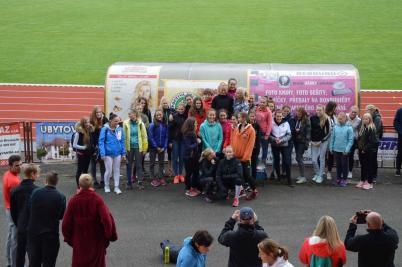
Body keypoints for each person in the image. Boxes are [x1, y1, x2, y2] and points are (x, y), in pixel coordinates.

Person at [62, 174, 117, 267]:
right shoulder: (97, 199)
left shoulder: (73, 201)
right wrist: (108, 236)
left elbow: (66, 224)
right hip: (96, 241)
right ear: (91, 184)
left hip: (79, 242)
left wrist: (70, 240)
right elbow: (107, 220)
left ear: (79, 185)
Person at [27, 171, 66, 267]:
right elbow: (61, 215)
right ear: (56, 182)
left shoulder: (35, 192)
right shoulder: (61, 197)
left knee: (34, 262)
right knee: (49, 263)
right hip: (51, 235)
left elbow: (29, 208)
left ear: (45, 181)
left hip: (34, 234)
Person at [10, 163, 39, 267]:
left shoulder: (14, 190)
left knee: (20, 253)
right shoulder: (38, 191)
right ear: (32, 174)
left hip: (21, 225)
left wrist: (18, 223)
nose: (38, 176)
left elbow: (13, 211)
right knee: (34, 254)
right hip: (34, 227)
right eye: (37, 174)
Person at [231, 112, 258, 199]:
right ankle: (241, 190)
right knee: (237, 174)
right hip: (236, 156)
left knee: (247, 175)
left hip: (244, 158)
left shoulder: (251, 130)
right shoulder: (237, 127)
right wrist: (232, 152)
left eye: (238, 117)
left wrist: (246, 157)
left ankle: (254, 191)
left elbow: (250, 145)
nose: (237, 119)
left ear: (244, 118)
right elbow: (233, 141)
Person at [99, 113, 126, 194]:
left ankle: (116, 187)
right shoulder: (105, 129)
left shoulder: (120, 129)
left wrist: (123, 153)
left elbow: (122, 141)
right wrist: (102, 153)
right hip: (107, 154)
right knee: (109, 171)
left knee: (117, 170)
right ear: (110, 121)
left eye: (118, 121)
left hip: (117, 153)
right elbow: (101, 142)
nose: (117, 122)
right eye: (115, 121)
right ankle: (106, 185)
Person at [3, 155, 22, 267]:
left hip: (8, 208)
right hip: (13, 211)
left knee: (10, 237)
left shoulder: (7, 174)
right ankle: (14, 264)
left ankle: (9, 262)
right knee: (15, 240)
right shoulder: (14, 181)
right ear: (10, 166)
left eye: (20, 164)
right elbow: (19, 200)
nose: (19, 167)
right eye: (16, 166)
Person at [123, 109, 148, 190]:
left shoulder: (141, 124)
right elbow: (123, 137)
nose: (129, 115)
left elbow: (144, 137)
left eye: (130, 114)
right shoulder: (125, 123)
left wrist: (145, 148)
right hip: (129, 147)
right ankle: (129, 183)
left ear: (135, 114)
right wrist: (124, 149)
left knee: (139, 165)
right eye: (128, 114)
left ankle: (140, 182)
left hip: (138, 147)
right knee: (128, 165)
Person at [329, 112, 354, 187]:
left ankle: (344, 179)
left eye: (341, 118)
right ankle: (338, 178)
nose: (339, 120)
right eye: (338, 118)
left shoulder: (349, 128)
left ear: (345, 119)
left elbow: (350, 140)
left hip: (344, 151)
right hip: (336, 150)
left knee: (344, 165)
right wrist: (331, 147)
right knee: (338, 165)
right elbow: (332, 138)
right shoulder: (335, 127)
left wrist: (347, 150)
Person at [269, 109, 293, 187]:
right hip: (275, 145)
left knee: (287, 162)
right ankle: (279, 177)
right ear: (275, 116)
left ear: (282, 116)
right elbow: (268, 134)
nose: (278, 118)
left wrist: (282, 140)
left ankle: (289, 180)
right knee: (276, 161)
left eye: (280, 116)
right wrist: (274, 139)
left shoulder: (286, 123)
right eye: (277, 116)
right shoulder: (271, 123)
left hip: (284, 145)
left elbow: (289, 135)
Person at [356, 113, 380, 190]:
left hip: (369, 151)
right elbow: (359, 139)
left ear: (370, 120)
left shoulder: (371, 128)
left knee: (369, 166)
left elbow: (373, 142)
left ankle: (370, 182)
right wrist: (359, 148)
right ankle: (362, 180)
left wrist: (365, 149)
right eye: (364, 118)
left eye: (367, 118)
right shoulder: (362, 128)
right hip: (362, 150)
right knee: (363, 166)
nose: (365, 120)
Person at [290, 107, 311, 184]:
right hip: (296, 141)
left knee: (298, 157)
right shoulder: (295, 119)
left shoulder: (306, 120)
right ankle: (301, 175)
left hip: (302, 141)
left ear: (303, 113)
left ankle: (303, 177)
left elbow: (308, 133)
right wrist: (295, 131)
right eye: (297, 112)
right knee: (299, 158)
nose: (298, 113)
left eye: (299, 112)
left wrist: (307, 143)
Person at [310, 105, 331, 183]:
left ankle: (320, 176)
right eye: (317, 110)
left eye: (320, 110)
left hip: (323, 142)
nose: (318, 112)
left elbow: (329, 132)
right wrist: (311, 140)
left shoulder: (327, 118)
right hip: (313, 142)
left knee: (321, 159)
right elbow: (310, 130)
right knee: (314, 160)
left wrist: (321, 141)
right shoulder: (312, 118)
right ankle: (317, 173)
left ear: (323, 110)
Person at [148, 109, 168, 187]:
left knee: (161, 163)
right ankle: (152, 178)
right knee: (152, 163)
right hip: (153, 147)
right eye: (157, 115)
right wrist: (156, 146)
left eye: (160, 114)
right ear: (155, 116)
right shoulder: (152, 125)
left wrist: (164, 147)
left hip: (162, 148)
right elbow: (150, 137)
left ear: (163, 115)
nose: (159, 116)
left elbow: (166, 137)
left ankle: (161, 177)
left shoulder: (165, 125)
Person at [89, 106, 108, 188]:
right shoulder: (91, 121)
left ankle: (103, 180)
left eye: (100, 112)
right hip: (93, 144)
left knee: (102, 163)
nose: (99, 114)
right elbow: (89, 133)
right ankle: (94, 180)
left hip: (103, 144)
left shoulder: (105, 120)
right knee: (93, 163)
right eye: (97, 112)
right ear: (94, 113)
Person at [182, 117, 201, 197]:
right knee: (190, 173)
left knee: (193, 172)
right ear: (191, 125)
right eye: (195, 123)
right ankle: (188, 188)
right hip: (189, 157)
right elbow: (188, 146)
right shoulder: (189, 133)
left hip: (192, 156)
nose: (196, 124)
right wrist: (197, 142)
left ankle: (192, 187)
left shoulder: (191, 132)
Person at [73, 117, 94, 188]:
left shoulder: (89, 131)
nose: (87, 124)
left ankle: (85, 186)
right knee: (79, 171)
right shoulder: (78, 133)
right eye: (85, 122)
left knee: (85, 170)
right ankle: (79, 187)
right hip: (81, 154)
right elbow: (74, 145)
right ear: (82, 124)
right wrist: (83, 147)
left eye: (88, 122)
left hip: (87, 154)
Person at [365, 104, 383, 183]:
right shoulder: (373, 117)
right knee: (369, 159)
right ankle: (370, 175)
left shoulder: (377, 118)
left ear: (371, 110)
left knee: (373, 159)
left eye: (367, 110)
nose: (366, 112)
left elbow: (375, 129)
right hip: (370, 141)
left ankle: (374, 175)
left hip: (374, 142)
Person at [170, 103, 187, 184]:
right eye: (179, 109)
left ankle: (180, 174)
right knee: (175, 158)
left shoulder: (186, 117)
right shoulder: (173, 116)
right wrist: (170, 141)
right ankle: (176, 175)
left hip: (183, 141)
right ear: (177, 109)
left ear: (184, 109)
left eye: (182, 109)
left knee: (182, 158)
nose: (181, 110)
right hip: (175, 140)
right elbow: (170, 129)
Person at [256, 96, 273, 165]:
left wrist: (267, 134)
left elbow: (270, 124)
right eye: (261, 102)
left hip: (264, 132)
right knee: (257, 148)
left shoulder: (268, 112)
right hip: (256, 132)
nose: (262, 103)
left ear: (266, 103)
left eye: (264, 102)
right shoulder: (256, 109)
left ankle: (263, 163)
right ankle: (256, 161)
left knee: (264, 149)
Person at [160, 96, 175, 177]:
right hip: (161, 135)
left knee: (170, 153)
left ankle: (170, 170)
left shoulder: (172, 110)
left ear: (168, 103)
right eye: (164, 103)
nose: (165, 104)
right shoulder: (159, 111)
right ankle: (161, 170)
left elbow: (174, 121)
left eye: (166, 103)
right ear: (161, 104)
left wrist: (172, 114)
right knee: (161, 153)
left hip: (170, 135)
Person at [346, 106, 361, 180]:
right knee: (344, 155)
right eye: (352, 111)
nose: (353, 113)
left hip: (353, 140)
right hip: (344, 139)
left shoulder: (359, 120)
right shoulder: (345, 116)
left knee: (351, 156)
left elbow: (359, 131)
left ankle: (350, 171)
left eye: (355, 112)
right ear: (349, 111)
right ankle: (344, 170)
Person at [325, 101, 338, 181]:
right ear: (331, 107)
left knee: (331, 156)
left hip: (332, 139)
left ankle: (329, 171)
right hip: (325, 139)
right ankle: (321, 171)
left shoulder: (334, 116)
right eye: (335, 107)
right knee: (322, 156)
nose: (336, 109)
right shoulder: (325, 115)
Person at [248, 110, 261, 182]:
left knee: (254, 164)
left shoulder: (257, 126)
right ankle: (247, 180)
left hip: (255, 148)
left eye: (253, 116)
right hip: (247, 148)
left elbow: (258, 138)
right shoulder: (246, 125)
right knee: (247, 165)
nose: (252, 118)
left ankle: (253, 180)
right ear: (248, 117)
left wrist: (254, 145)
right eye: (251, 116)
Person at [393, 107, 402, 176]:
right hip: (401, 136)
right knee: (400, 153)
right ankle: (398, 169)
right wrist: (400, 132)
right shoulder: (400, 110)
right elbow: (395, 122)